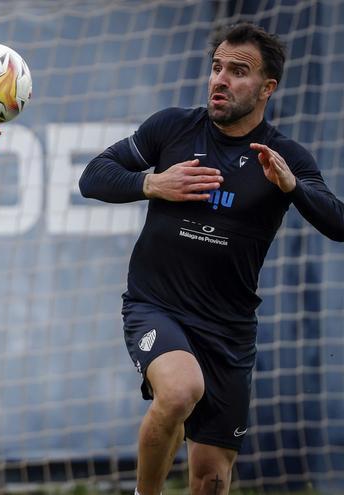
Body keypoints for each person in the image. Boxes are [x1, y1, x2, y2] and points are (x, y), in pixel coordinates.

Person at [79, 22, 344, 495]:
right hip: (157, 306)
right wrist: (151, 183)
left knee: (211, 478)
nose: (220, 79)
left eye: (237, 71)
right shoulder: (173, 127)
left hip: (229, 330)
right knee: (180, 390)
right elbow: (93, 176)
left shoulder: (285, 157)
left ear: (267, 88)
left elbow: (339, 224)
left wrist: (293, 188)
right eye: (217, 67)